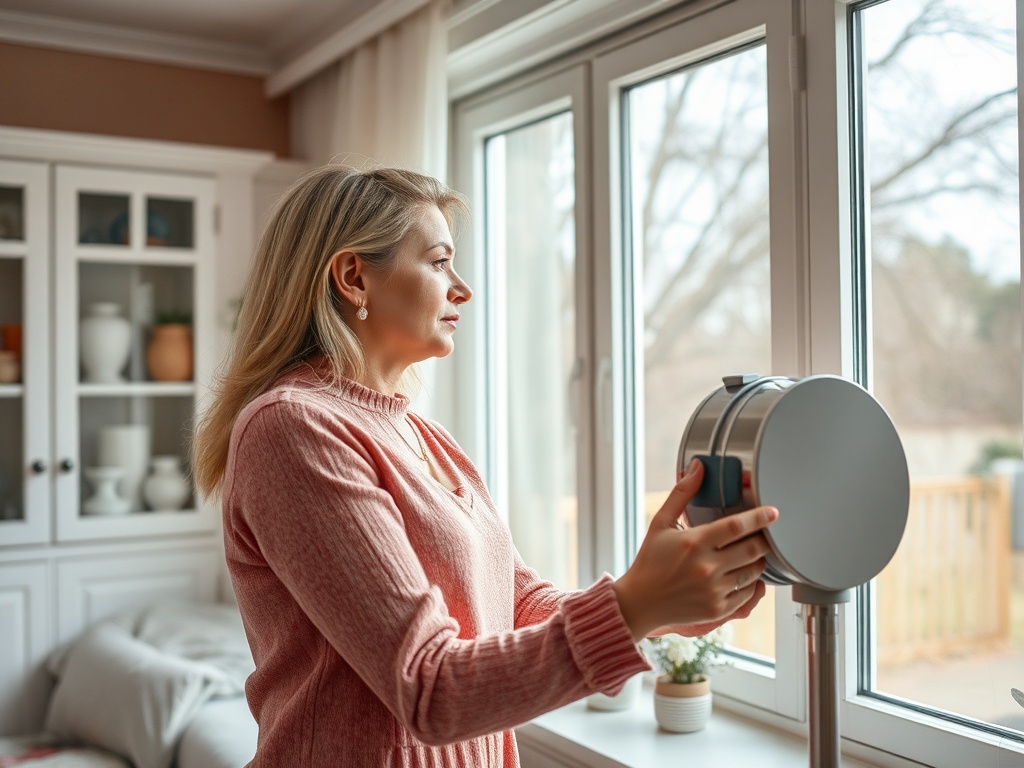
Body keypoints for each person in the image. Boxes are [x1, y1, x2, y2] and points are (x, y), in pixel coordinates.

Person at [191, 164, 778, 767]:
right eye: (440, 262)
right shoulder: (292, 428)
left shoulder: (428, 438)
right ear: (352, 277)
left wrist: (659, 609)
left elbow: (516, 604)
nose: (462, 289)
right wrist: (633, 607)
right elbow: (430, 689)